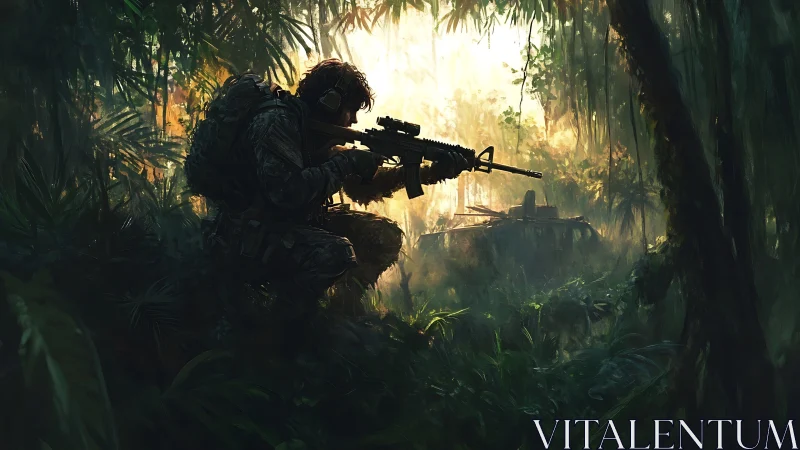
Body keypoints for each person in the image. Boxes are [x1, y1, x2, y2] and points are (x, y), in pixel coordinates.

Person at [187, 58, 470, 322]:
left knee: (383, 236)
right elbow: (286, 193)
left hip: (285, 226)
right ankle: (279, 328)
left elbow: (362, 189)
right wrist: (345, 163)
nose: (353, 121)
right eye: (351, 110)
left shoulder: (312, 134)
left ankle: (344, 314)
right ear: (330, 103)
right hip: (244, 235)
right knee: (335, 252)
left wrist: (430, 173)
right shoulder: (276, 122)